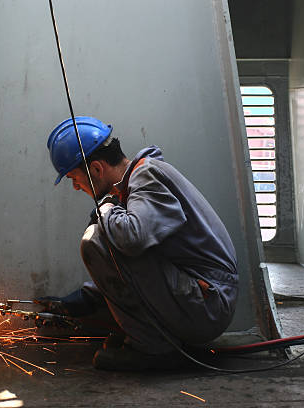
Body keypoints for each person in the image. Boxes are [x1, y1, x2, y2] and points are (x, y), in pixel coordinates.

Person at [38, 116, 238, 370]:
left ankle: (154, 349)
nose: (77, 187)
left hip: (208, 305)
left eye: (74, 178)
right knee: (105, 233)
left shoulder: (146, 177)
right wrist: (85, 298)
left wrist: (106, 206)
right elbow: (143, 260)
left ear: (97, 169)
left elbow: (133, 238)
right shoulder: (140, 180)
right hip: (203, 299)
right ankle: (152, 338)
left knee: (95, 238)